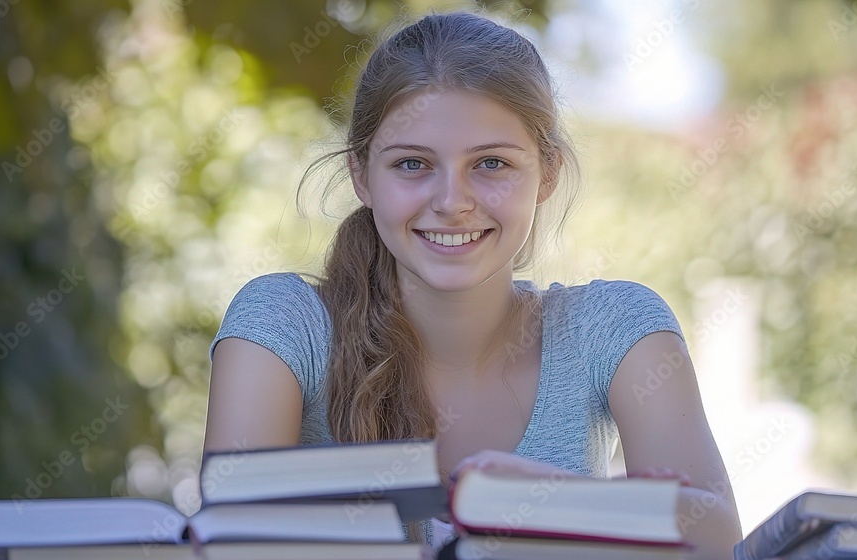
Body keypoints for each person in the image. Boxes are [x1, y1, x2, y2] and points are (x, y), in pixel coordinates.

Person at [202, 9, 741, 559]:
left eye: (491, 163)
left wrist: (542, 500)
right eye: (412, 164)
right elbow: (233, 539)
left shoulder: (613, 328)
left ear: (547, 173)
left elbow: (716, 535)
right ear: (362, 175)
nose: (452, 202)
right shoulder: (283, 325)